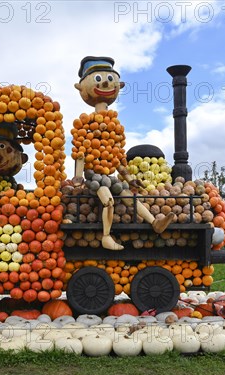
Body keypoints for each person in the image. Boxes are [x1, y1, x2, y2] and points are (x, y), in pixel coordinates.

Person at [73, 56, 174, 250]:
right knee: (108, 200)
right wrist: (78, 177)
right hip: (94, 176)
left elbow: (118, 155)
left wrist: (128, 176)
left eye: (110, 79)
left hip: (109, 176)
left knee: (129, 197)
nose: (104, 82)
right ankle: (106, 236)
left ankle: (155, 222)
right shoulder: (84, 123)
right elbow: (81, 153)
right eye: (98, 79)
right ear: (81, 87)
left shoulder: (115, 126)